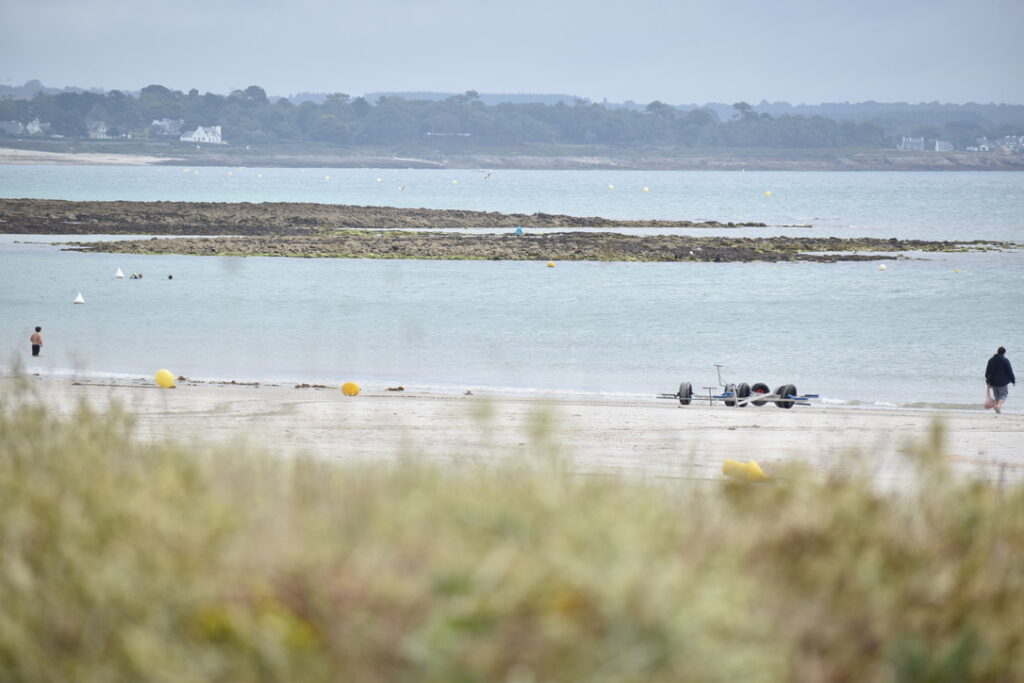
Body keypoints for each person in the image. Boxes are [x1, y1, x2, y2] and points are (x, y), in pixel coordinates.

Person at [985, 346, 1015, 414]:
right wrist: (1013, 380)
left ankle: (998, 411)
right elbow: (1009, 371)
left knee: (997, 397)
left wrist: (988, 381)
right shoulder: (1005, 361)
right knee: (1004, 395)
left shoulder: (991, 360)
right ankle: (998, 406)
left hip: (993, 382)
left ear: (997, 351)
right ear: (1004, 353)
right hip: (1003, 382)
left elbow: (987, 372)